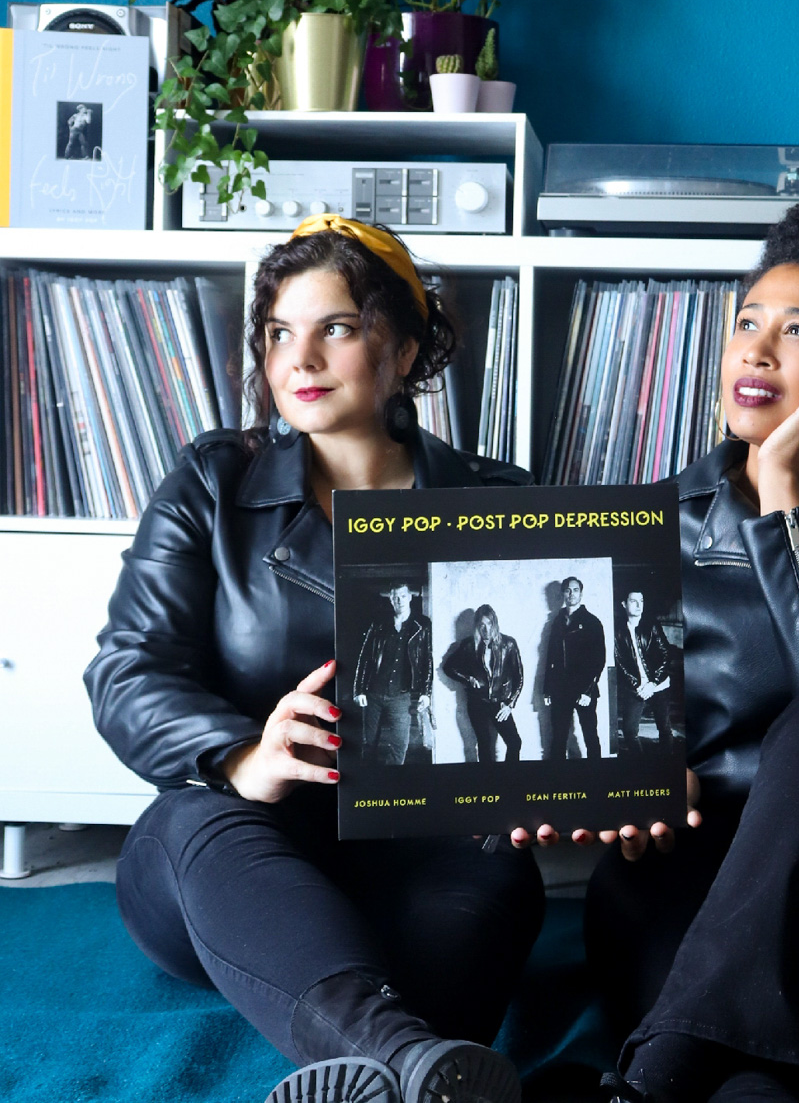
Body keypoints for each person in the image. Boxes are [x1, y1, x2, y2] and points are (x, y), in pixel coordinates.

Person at [516, 197, 799, 1103]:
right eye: (746, 322)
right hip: (686, 878)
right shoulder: (636, 523)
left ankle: (647, 1082)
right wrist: (630, 779)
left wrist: (784, 498)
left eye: (798, 330)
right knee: (719, 1053)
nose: (756, 350)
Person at [84, 215, 545, 1103]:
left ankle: (397, 1063)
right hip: (236, 853)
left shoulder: (504, 502)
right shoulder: (211, 484)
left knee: (493, 887)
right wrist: (241, 754)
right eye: (279, 334)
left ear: (404, 349)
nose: (300, 358)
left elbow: (526, 693)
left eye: (335, 327)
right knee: (187, 821)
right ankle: (409, 1057)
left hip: (432, 851)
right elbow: (127, 667)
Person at [352, 582, 432, 764]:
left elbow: (427, 660)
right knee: (369, 744)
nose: (399, 600)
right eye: (395, 597)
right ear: (390, 599)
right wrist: (358, 690)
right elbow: (364, 658)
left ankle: (392, 783)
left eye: (403, 596)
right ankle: (370, 783)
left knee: (399, 746)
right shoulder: (379, 624)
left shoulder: (422, 625)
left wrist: (426, 693)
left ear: (410, 597)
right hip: (373, 694)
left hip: (401, 696)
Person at [442, 605, 524, 763]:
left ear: (495, 624)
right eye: (482, 625)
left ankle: (512, 780)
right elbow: (448, 667)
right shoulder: (469, 646)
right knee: (485, 745)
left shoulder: (509, 644)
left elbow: (519, 676)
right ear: (477, 626)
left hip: (500, 703)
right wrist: (467, 679)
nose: (486, 629)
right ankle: (488, 783)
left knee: (514, 742)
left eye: (490, 624)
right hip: (477, 703)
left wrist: (509, 704)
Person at [542, 576, 607, 760]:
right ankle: (559, 780)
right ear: (563, 593)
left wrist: (587, 691)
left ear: (581, 593)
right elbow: (550, 657)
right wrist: (547, 689)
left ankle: (597, 777)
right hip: (560, 690)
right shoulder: (557, 622)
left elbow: (599, 660)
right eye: (568, 590)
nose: (571, 594)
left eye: (575, 590)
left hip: (584, 690)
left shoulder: (592, 622)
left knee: (590, 737)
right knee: (559, 738)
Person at [613, 591, 674, 754]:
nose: (639, 605)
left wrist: (652, 683)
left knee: (665, 729)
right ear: (624, 604)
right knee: (629, 732)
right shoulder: (618, 630)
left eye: (641, 600)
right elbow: (619, 661)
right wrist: (637, 684)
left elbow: (666, 654)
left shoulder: (651, 625)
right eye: (633, 601)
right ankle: (641, 766)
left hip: (659, 684)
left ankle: (666, 767)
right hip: (636, 687)